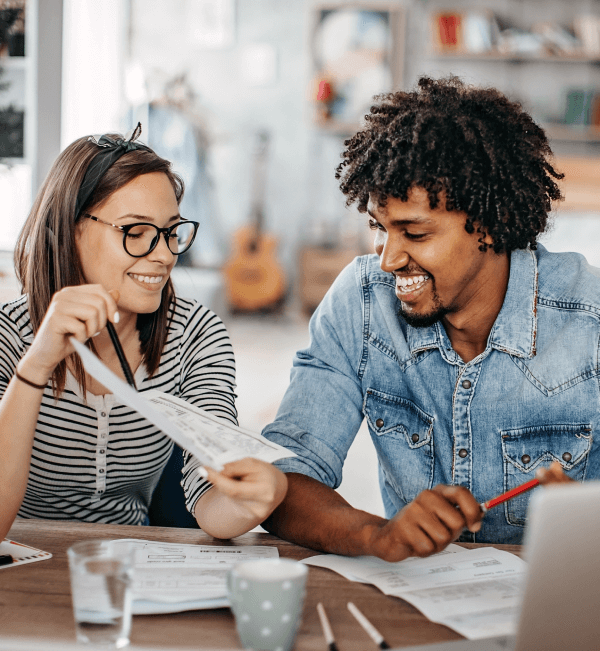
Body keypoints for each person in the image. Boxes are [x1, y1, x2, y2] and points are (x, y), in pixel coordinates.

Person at [260, 76, 598, 561]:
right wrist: (376, 536)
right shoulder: (361, 303)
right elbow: (285, 477)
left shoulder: (591, 320)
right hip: (416, 601)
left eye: (414, 234)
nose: (387, 259)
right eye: (380, 228)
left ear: (490, 223)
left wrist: (587, 522)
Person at [0, 125, 286, 541]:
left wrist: (254, 499)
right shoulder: (9, 335)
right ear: (70, 228)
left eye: (171, 232)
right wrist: (36, 365)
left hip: (131, 559)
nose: (164, 254)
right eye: (136, 233)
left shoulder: (196, 335)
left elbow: (210, 500)